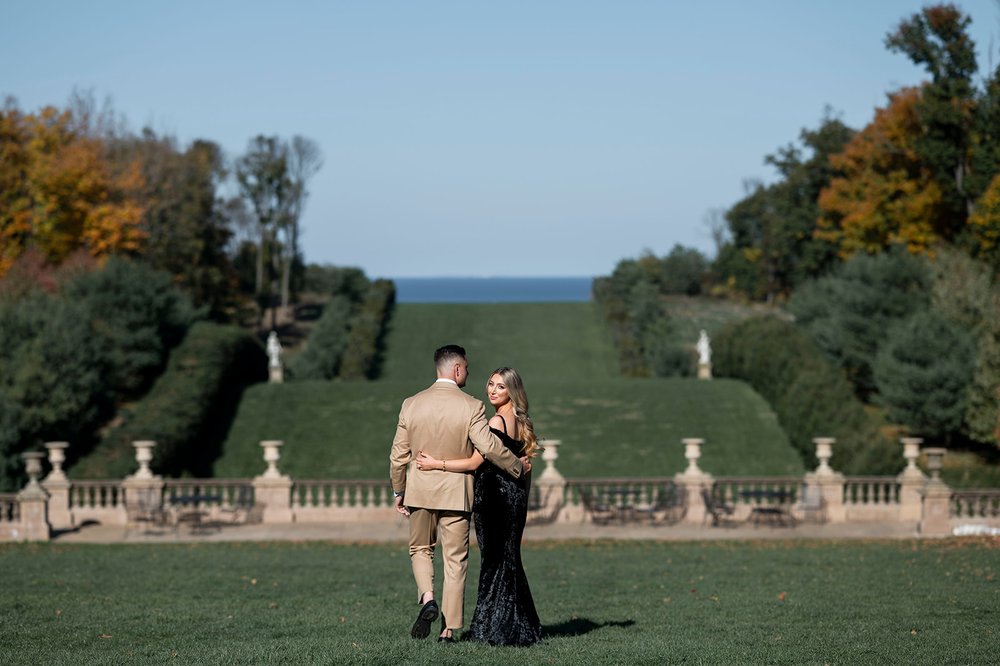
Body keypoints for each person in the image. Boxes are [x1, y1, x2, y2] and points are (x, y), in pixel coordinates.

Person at [389, 345, 531, 643]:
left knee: (420, 549)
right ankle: (448, 630)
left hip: (419, 491)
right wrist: (516, 466)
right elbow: (490, 448)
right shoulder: (472, 406)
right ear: (456, 370)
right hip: (456, 494)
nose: (468, 372)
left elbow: (397, 455)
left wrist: (399, 490)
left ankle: (428, 598)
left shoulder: (411, 404)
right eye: (466, 368)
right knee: (455, 560)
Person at [415, 366, 543, 647]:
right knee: (509, 559)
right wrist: (524, 501)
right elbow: (526, 469)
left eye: (500, 387)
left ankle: (490, 628)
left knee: (493, 562)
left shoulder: (495, 423)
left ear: (512, 391)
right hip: (515, 499)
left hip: (493, 499)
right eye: (491, 384)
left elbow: (475, 463)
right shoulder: (523, 423)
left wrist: (436, 463)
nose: (492, 390)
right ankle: (521, 626)